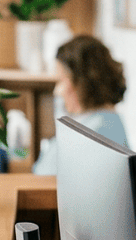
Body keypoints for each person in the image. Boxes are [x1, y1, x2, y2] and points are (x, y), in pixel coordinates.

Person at [32, 34, 128, 173]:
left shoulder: (81, 137)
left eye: (61, 80)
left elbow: (40, 176)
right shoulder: (113, 123)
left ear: (80, 84)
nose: (57, 91)